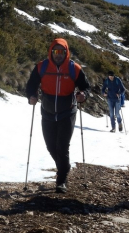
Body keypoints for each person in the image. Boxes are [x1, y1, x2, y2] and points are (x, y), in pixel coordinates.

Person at [26, 38, 90, 193]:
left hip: (67, 112)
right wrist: (31, 96)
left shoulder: (74, 68)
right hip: (47, 112)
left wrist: (83, 95)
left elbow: (86, 87)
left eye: (62, 52)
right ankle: (65, 167)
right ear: (51, 52)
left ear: (66, 52)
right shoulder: (42, 67)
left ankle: (61, 180)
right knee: (50, 146)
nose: (58, 55)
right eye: (56, 51)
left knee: (62, 146)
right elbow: (31, 85)